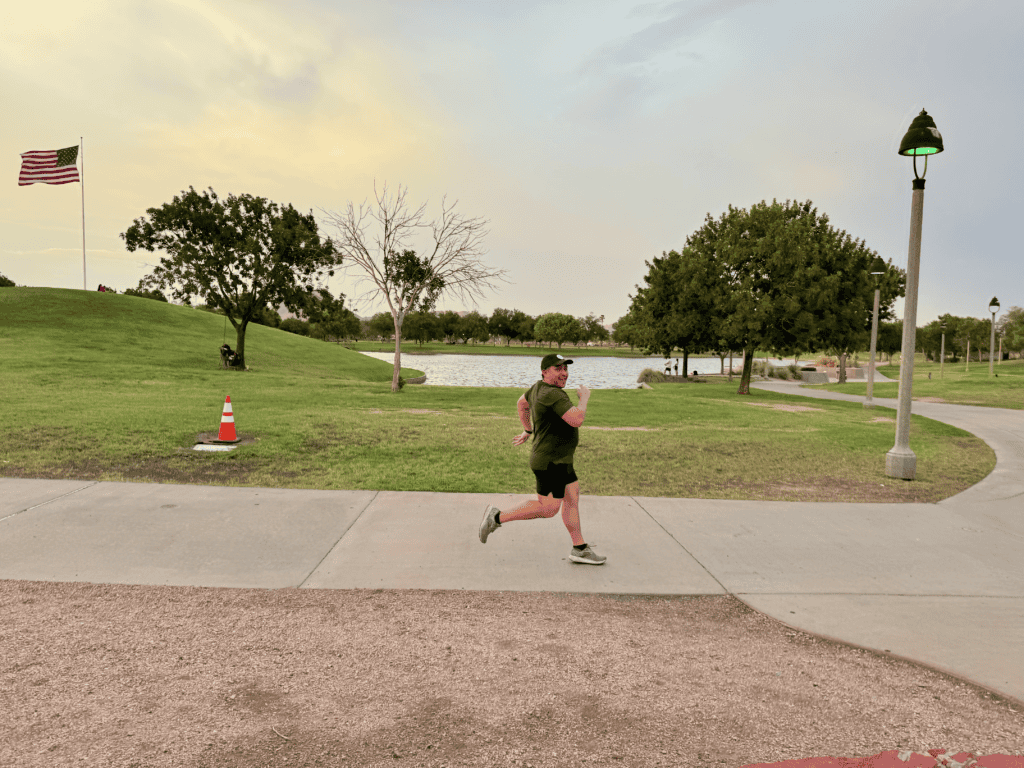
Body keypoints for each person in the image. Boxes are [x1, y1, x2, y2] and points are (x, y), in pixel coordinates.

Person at [478, 353, 606, 565]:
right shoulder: (554, 394)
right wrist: (584, 398)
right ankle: (496, 517)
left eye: (565, 369)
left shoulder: (537, 388)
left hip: (562, 459)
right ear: (545, 372)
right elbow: (576, 419)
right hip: (550, 463)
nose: (564, 373)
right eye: (558, 369)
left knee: (572, 497)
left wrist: (528, 430)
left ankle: (579, 548)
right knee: (548, 508)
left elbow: (521, 404)